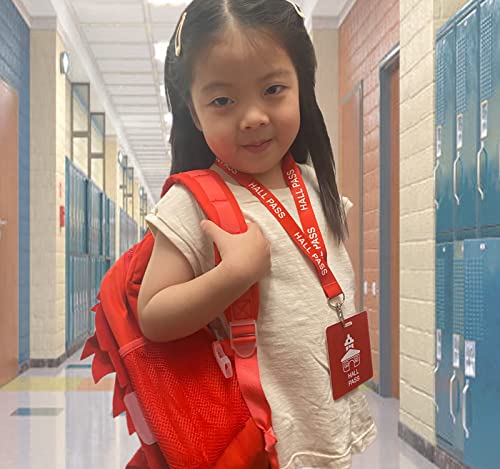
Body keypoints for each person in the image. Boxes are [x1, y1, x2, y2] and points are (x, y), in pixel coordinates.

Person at [137, 0, 377, 467]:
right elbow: (153, 313)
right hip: (262, 443)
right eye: (223, 100)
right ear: (193, 109)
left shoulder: (309, 183)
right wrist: (236, 273)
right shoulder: (192, 202)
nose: (252, 117)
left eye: (272, 89)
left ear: (301, 89)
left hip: (326, 423)